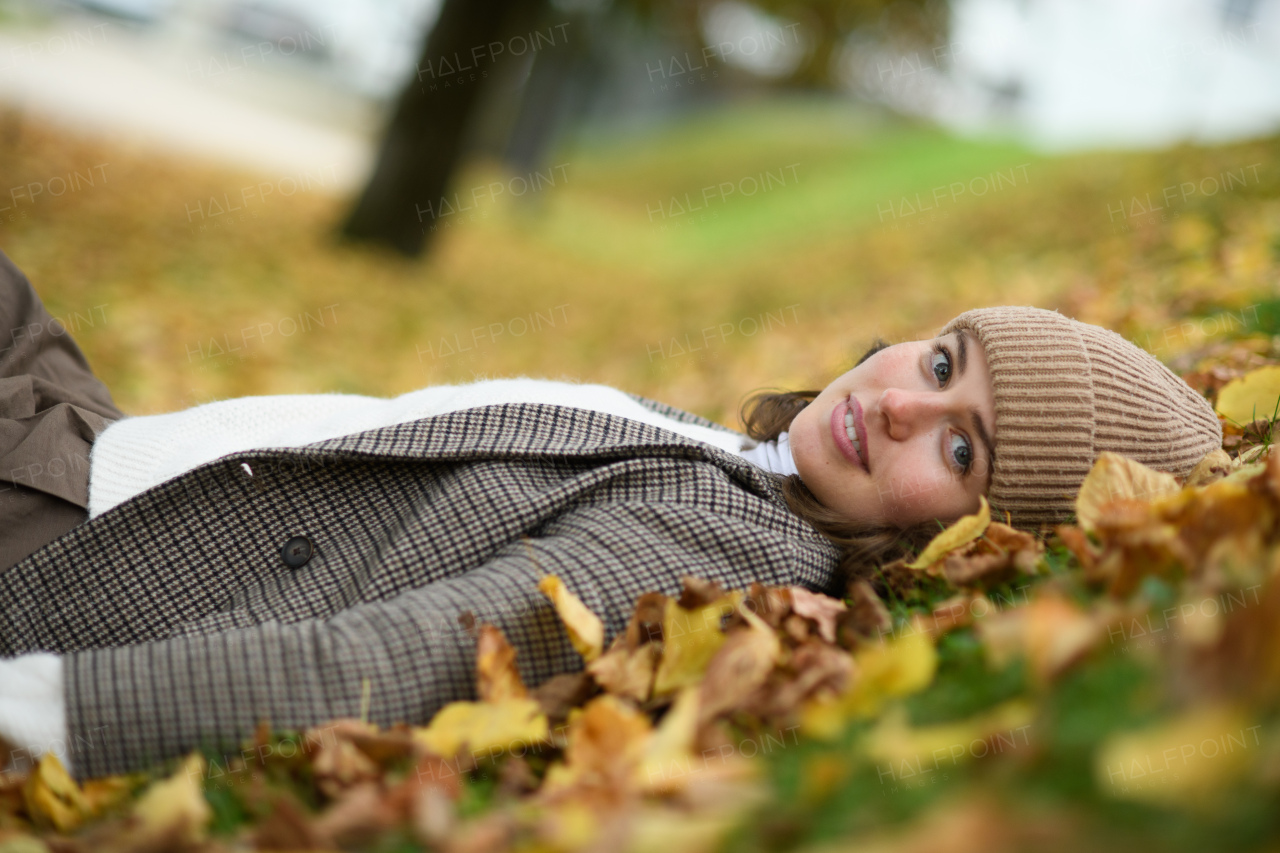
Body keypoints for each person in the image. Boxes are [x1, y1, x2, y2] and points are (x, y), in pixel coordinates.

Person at [0, 250, 1221, 780]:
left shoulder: (733, 543)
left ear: (970, 536)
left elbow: (408, 659)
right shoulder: (745, 463)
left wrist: (45, 709)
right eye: (944, 361)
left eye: (961, 448)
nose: (899, 401)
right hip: (113, 452)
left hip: (70, 544)